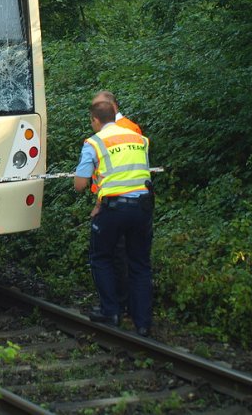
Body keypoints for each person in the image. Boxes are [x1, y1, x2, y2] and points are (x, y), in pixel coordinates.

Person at [74, 100, 153, 337]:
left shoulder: (94, 143)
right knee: (139, 263)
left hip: (113, 209)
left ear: (95, 120)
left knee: (101, 257)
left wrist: (97, 200)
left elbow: (80, 185)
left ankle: (112, 311)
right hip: (142, 207)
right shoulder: (139, 139)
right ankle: (143, 323)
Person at [90, 90, 143, 315]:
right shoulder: (113, 129)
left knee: (118, 255)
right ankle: (123, 305)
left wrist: (101, 202)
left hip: (120, 201)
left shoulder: (127, 129)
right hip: (115, 200)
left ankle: (120, 304)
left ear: (111, 107)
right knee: (117, 254)